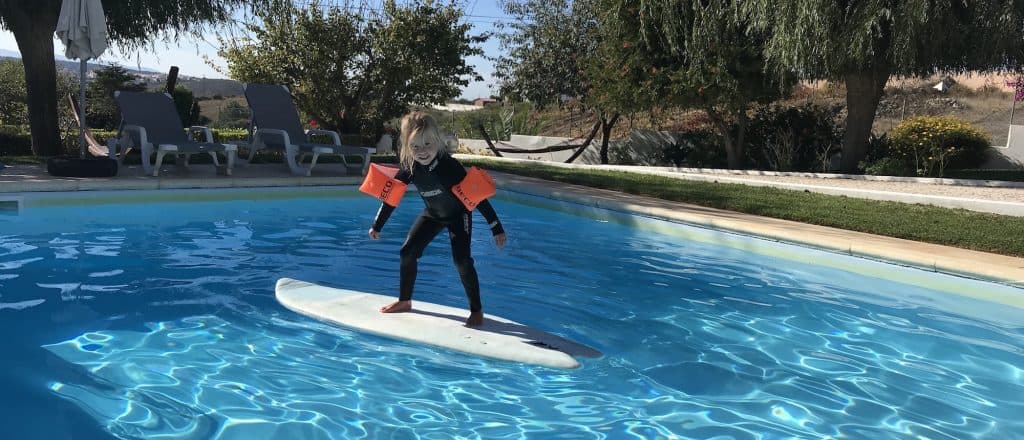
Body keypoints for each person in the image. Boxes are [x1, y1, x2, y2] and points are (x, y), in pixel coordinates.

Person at [368, 111, 507, 327]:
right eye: (415, 146)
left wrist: (495, 226)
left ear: (438, 142)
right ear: (407, 146)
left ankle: (476, 310)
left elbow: (477, 197)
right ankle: (405, 301)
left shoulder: (449, 167)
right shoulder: (410, 167)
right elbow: (391, 198)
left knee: (461, 260)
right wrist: (378, 225)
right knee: (407, 252)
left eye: (428, 144)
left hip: (457, 215)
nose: (422, 152)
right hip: (432, 215)